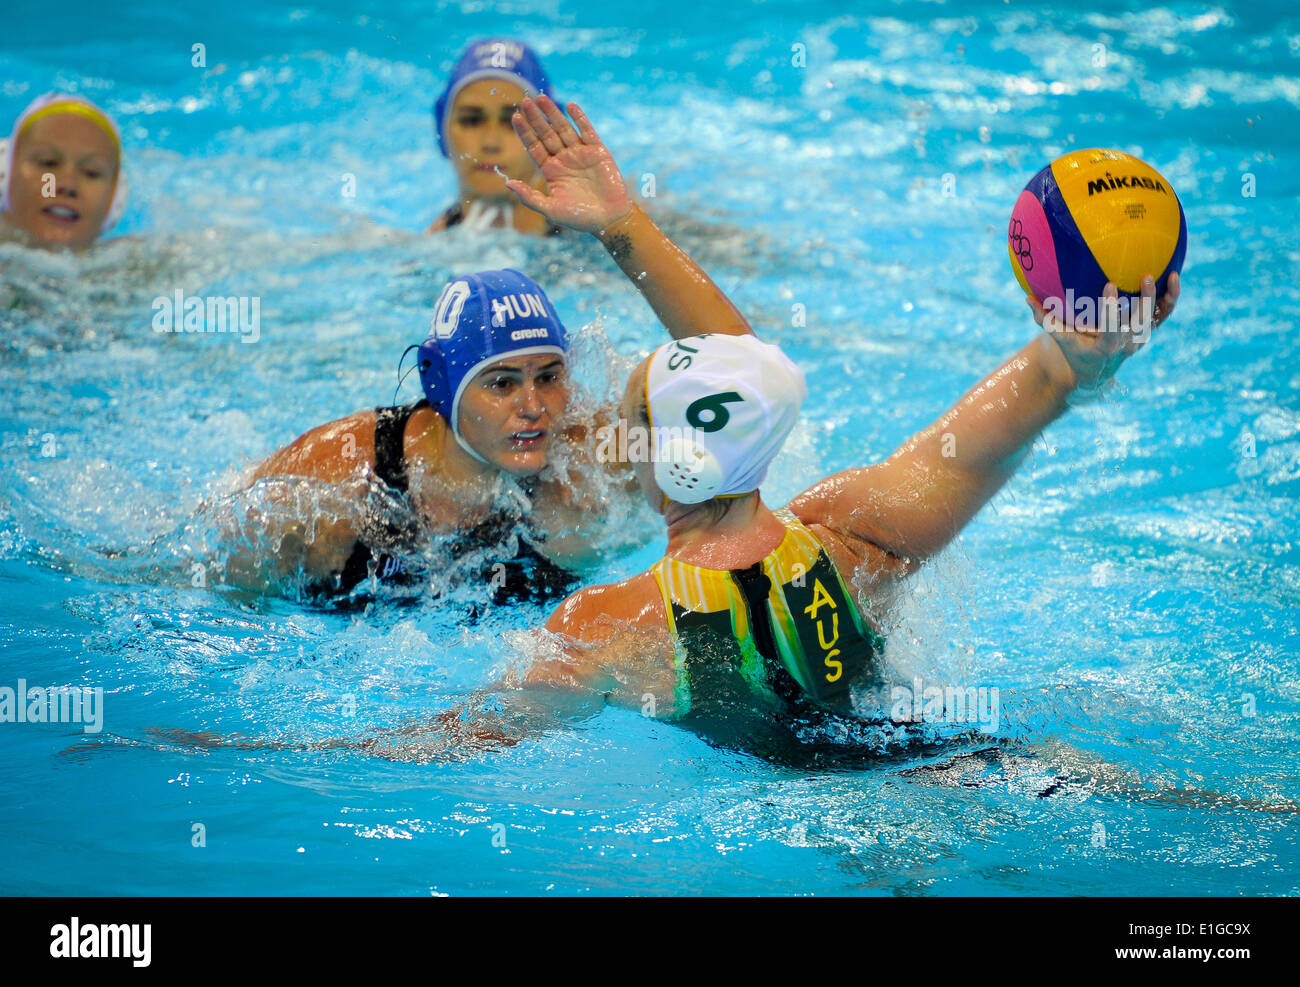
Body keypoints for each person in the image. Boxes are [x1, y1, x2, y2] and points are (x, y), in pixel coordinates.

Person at [528, 276, 1180, 745]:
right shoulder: (847, 535)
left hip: (812, 834)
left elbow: (485, 732)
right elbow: (969, 455)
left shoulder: (604, 623)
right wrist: (1070, 364)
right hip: (951, 763)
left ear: (664, 457)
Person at [234, 96, 752, 602]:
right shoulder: (338, 486)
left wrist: (620, 226)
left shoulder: (590, 467)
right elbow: (214, 589)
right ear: (439, 384)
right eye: (502, 383)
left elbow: (746, 381)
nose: (533, 406)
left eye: (548, 376)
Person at [426, 39, 560, 236]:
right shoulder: (418, 254)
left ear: (550, 133)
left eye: (514, 123)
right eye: (472, 121)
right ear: (442, 130)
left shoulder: (599, 239)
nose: (490, 143)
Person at [0, 92, 127, 249]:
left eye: (91, 173)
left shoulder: (144, 265)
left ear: (114, 197)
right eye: (48, 163)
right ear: (6, 173)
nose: (68, 186)